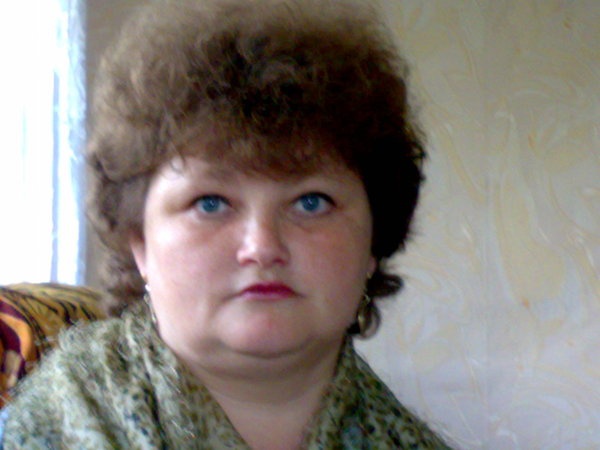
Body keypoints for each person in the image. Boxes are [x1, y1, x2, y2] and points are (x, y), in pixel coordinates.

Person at [1, 0, 453, 448]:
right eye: (211, 203)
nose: (262, 246)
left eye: (311, 202)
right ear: (140, 242)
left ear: (374, 241)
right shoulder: (42, 431)